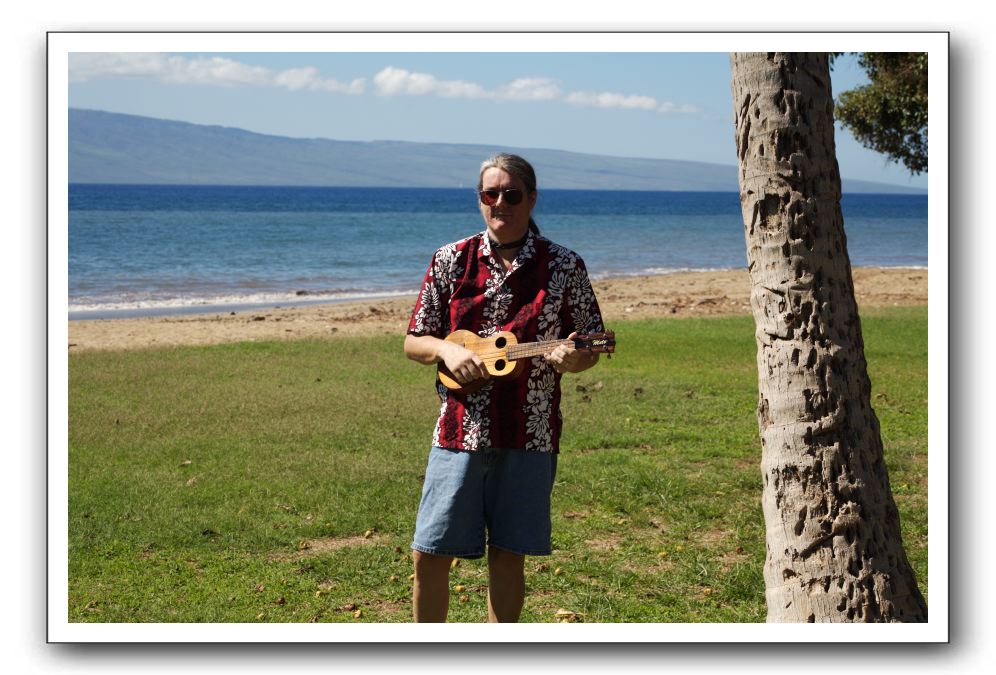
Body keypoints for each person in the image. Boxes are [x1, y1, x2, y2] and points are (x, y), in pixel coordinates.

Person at [404, 153, 605, 622]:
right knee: (430, 552)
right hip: (458, 431)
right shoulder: (450, 260)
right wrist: (447, 351)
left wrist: (574, 359)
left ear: (531, 199)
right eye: (490, 194)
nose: (500, 203)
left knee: (508, 555)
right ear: (479, 200)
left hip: (529, 432)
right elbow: (414, 341)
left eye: (512, 194)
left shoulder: (565, 266)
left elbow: (589, 345)